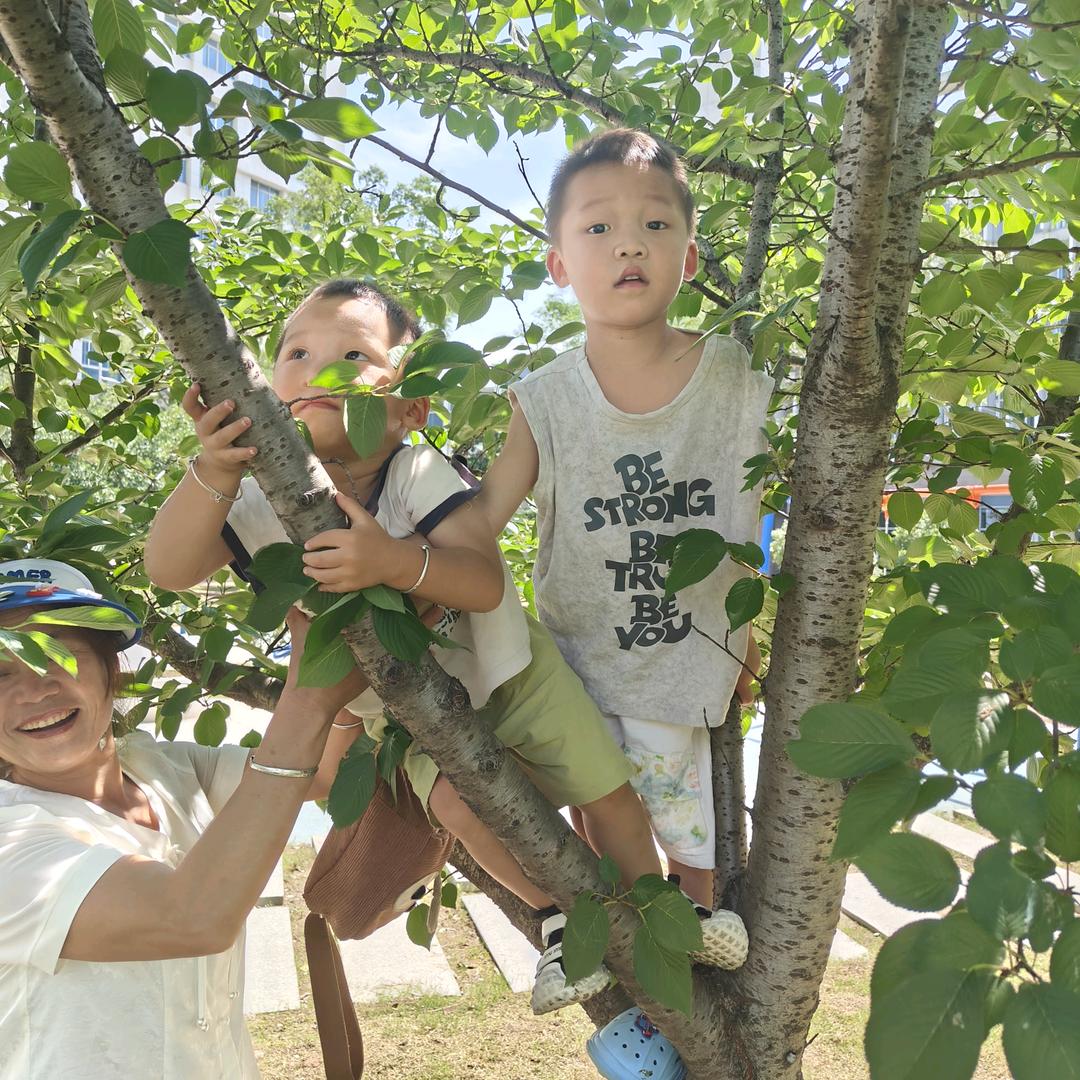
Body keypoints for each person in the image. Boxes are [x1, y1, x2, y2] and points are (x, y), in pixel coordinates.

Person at [145, 280, 744, 1018]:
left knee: (608, 792)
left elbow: (483, 579)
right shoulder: (249, 497)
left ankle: (653, 909)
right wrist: (211, 468)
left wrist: (395, 563)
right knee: (462, 806)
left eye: (354, 356)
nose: (319, 370)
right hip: (405, 710)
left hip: (513, 670)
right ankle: (557, 917)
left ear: (409, 409)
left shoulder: (413, 470)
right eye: (295, 353)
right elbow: (168, 571)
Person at [476, 128, 772, 1075]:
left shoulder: (740, 375)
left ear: (691, 249)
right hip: (581, 662)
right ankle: (639, 1006)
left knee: (693, 846)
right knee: (598, 844)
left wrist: (752, 629)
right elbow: (481, 518)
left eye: (655, 224)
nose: (630, 245)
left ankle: (695, 1014)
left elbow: (778, 504)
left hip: (689, 660)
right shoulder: (545, 398)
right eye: (599, 228)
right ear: (560, 263)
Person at [0, 556, 363, 1079]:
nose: (34, 691)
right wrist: (307, 701)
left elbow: (321, 771)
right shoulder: (11, 841)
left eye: (58, 656)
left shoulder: (164, 768)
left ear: (112, 669)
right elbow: (192, 917)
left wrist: (349, 666)